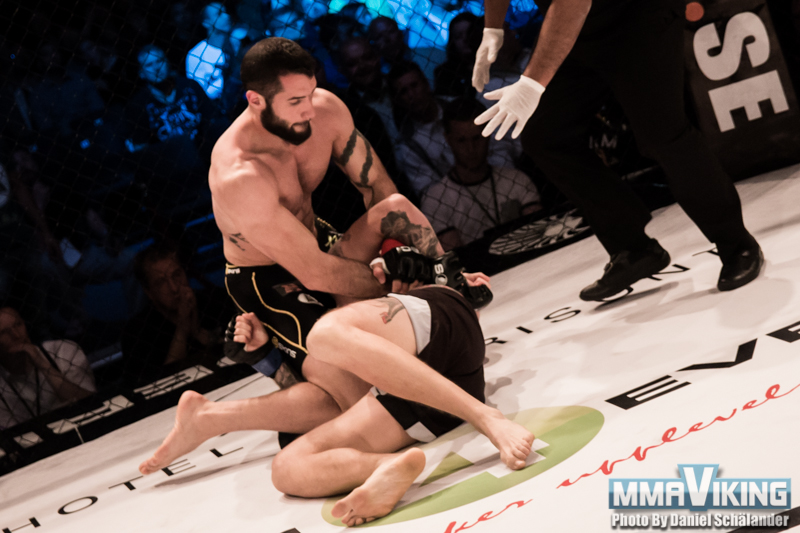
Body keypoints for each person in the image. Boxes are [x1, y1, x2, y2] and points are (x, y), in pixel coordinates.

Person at [139, 281, 534, 527]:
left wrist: (441, 272)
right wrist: (267, 360)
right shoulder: (256, 285)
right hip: (425, 399)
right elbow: (335, 393)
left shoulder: (315, 236)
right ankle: (384, 469)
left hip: (435, 320)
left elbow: (391, 211)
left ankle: (486, 418)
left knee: (325, 336)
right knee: (286, 467)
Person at [472, 0, 763, 300]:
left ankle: (736, 244)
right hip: (582, 30)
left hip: (636, 16)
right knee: (545, 135)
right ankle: (633, 248)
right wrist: (492, 29)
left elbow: (573, 4)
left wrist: (532, 84)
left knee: (662, 132)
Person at [209, 38, 452, 387]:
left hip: (318, 243)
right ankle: (267, 359)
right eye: (295, 101)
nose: (309, 109)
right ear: (256, 100)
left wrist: (396, 250)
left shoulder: (325, 110)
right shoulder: (240, 173)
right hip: (265, 276)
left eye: (310, 93)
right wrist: (403, 280)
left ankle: (455, 293)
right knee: (348, 389)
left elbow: (376, 186)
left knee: (397, 211)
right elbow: (315, 274)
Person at [421, 97, 541, 250]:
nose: (471, 149)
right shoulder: (436, 199)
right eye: (462, 140)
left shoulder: (517, 179)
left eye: (476, 138)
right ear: (448, 140)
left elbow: (538, 233)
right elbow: (456, 255)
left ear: (488, 134)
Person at [389, 61, 521, 196]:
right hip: (457, 198)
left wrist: (505, 181)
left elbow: (498, 147)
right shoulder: (408, 145)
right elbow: (429, 191)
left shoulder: (461, 106)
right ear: (398, 100)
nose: (412, 94)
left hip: (497, 178)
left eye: (414, 85)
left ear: (426, 85)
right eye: (403, 91)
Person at [121, 243, 231, 386]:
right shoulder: (137, 331)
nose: (174, 288)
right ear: (149, 292)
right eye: (161, 282)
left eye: (176, 275)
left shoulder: (215, 300)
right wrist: (183, 327)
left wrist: (198, 332)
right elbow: (160, 383)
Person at [0, 306, 96, 430]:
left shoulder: (63, 350)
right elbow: (11, 433)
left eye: (18, 325)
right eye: (4, 332)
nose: (16, 335)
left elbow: (90, 402)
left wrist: (42, 364)